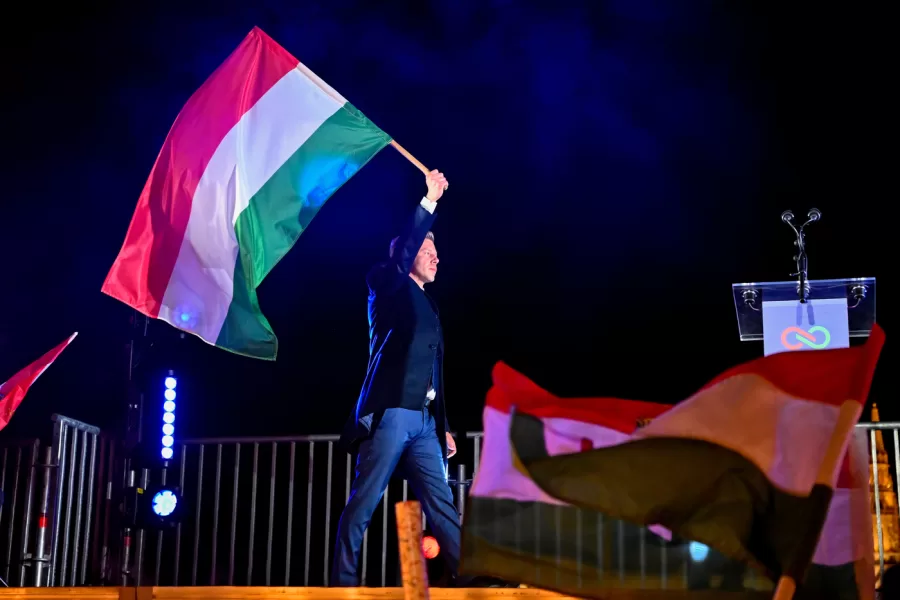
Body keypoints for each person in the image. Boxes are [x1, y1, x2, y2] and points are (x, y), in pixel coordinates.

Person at [332, 169, 462, 587]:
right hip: (391, 413)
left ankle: (474, 573)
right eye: (428, 247)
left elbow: (432, 371)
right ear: (405, 254)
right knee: (365, 500)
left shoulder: (431, 308)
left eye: (436, 250)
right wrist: (429, 202)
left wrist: (443, 427)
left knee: (442, 505)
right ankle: (343, 583)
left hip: (424, 422)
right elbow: (404, 251)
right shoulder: (385, 283)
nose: (435, 256)